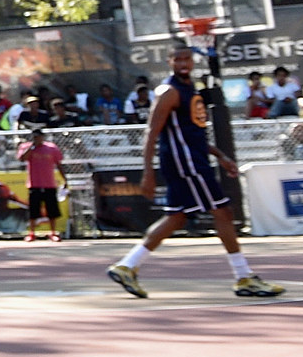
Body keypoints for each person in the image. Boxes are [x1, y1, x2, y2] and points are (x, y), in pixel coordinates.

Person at [107, 46, 285, 300]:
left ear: (193, 61)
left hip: (193, 158)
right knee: (223, 211)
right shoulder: (169, 91)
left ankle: (126, 266)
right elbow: (152, 131)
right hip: (185, 163)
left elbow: (194, 133)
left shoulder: (191, 90)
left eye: (186, 58)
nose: (183, 62)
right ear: (168, 62)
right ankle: (243, 277)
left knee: (177, 218)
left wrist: (220, 156)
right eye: (177, 58)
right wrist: (148, 170)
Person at [18, 128, 66, 242]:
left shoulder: (51, 148)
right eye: (34, 137)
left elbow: (59, 164)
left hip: (49, 184)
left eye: (39, 137)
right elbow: (22, 159)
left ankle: (53, 232)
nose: (37, 139)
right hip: (34, 184)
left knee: (52, 210)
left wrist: (65, 179)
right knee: (33, 210)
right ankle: (31, 233)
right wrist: (32, 147)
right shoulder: (26, 147)